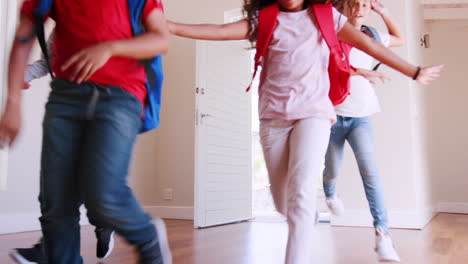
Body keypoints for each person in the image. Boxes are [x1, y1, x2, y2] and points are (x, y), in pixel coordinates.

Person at [165, 0, 443, 263]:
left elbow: (369, 45)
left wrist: (414, 70)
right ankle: (302, 212)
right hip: (273, 118)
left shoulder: (326, 17)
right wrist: (171, 26)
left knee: (300, 195)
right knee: (283, 204)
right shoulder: (265, 19)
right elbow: (221, 31)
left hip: (314, 115)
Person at [0, 0, 172, 263]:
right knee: (56, 204)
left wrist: (110, 48)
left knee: (105, 196)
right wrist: (12, 102)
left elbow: (161, 39)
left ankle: (147, 238)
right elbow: (24, 36)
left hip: (120, 97)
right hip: (65, 98)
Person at [10, 31, 116, 263]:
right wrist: (21, 74)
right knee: (59, 182)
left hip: (105, 108)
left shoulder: (109, 17)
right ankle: (51, 247)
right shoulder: (60, 27)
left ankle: (104, 220)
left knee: (89, 178)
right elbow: (45, 62)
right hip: (67, 109)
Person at [323, 0, 406, 262]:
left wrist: (384, 12)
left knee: (370, 172)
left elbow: (399, 39)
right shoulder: (332, 33)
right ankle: (329, 192)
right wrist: (363, 72)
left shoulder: (371, 36)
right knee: (332, 168)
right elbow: (331, 67)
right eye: (354, 4)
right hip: (333, 115)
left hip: (361, 116)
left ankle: (383, 236)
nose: (359, 9)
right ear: (344, 8)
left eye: (365, 5)